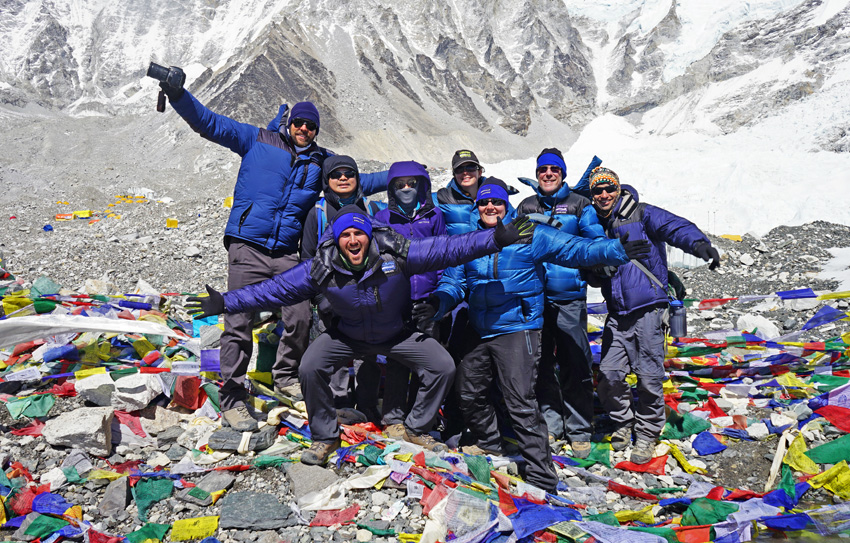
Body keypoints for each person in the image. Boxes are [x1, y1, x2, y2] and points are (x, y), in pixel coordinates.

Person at [186, 205, 532, 465]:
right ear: (337, 239)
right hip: (347, 336)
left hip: (396, 334)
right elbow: (273, 291)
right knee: (309, 367)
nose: (353, 240)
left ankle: (416, 427)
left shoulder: (398, 253)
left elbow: (447, 248)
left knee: (442, 365)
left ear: (369, 235)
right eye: (345, 235)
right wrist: (226, 302)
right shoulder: (319, 268)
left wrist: (494, 239)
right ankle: (325, 437)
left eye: (358, 233)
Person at [156, 69, 387, 432]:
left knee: (299, 316)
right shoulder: (256, 139)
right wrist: (177, 94)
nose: (304, 130)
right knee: (238, 321)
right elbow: (209, 123)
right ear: (289, 122)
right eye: (299, 123)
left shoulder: (320, 162)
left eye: (311, 126)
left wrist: (405, 176)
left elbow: (355, 181)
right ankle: (233, 397)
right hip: (247, 246)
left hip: (285, 254)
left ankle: (285, 376)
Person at [422, 178, 650, 493]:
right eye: (485, 203)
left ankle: (542, 475)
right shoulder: (471, 239)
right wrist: (439, 302)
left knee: (520, 400)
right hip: (480, 327)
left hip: (519, 328)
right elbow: (454, 281)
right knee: (469, 391)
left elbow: (574, 249)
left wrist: (615, 249)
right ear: (478, 207)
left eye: (497, 202)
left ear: (507, 205)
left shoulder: (530, 233)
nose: (491, 207)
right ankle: (489, 442)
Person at [586, 166, 721, 465]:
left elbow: (674, 227)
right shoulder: (595, 225)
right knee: (608, 375)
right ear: (592, 195)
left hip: (649, 311)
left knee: (649, 378)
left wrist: (699, 244)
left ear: (619, 189)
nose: (604, 194)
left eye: (609, 188)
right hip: (617, 314)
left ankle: (647, 434)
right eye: (598, 190)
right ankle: (623, 422)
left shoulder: (642, 214)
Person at [516, 148, 606, 459]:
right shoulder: (526, 206)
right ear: (538, 173)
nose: (548, 174)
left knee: (575, 362)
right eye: (543, 170)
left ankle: (579, 429)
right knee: (540, 365)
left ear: (563, 173)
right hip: (536, 298)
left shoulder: (580, 205)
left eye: (555, 169)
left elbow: (594, 241)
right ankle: (552, 424)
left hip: (569, 298)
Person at [301, 155, 384, 422]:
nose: (343, 178)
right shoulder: (318, 214)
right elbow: (307, 259)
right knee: (334, 350)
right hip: (332, 297)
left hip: (366, 297)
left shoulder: (370, 209)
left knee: (368, 354)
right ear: (327, 181)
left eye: (349, 173)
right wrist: (320, 296)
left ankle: (367, 406)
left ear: (358, 178)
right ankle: (338, 405)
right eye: (336, 175)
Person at [373, 161, 447, 438]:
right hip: (397, 302)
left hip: (428, 300)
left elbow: (444, 252)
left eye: (412, 184)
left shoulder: (434, 215)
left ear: (421, 187)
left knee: (426, 363)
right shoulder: (382, 217)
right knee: (396, 361)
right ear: (392, 188)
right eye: (400, 184)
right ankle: (393, 418)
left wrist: (439, 291)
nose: (406, 189)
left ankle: (421, 420)